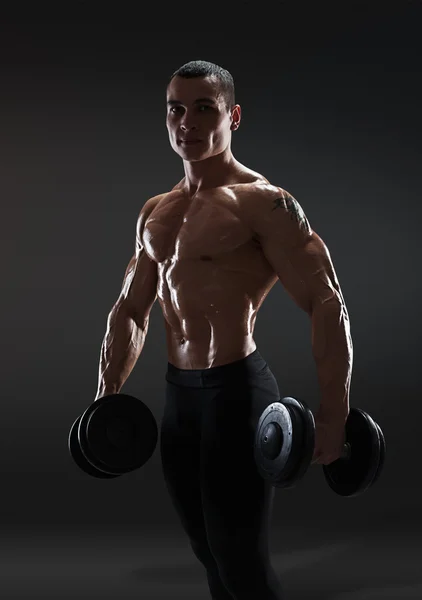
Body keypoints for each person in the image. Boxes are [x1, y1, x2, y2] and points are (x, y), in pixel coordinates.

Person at [95, 60, 353, 599]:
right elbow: (131, 310)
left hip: (237, 394)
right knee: (207, 553)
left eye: (204, 108)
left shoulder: (265, 203)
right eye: (176, 109)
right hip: (178, 398)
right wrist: (106, 401)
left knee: (239, 559)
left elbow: (327, 302)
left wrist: (335, 413)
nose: (186, 122)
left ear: (233, 116)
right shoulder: (156, 211)